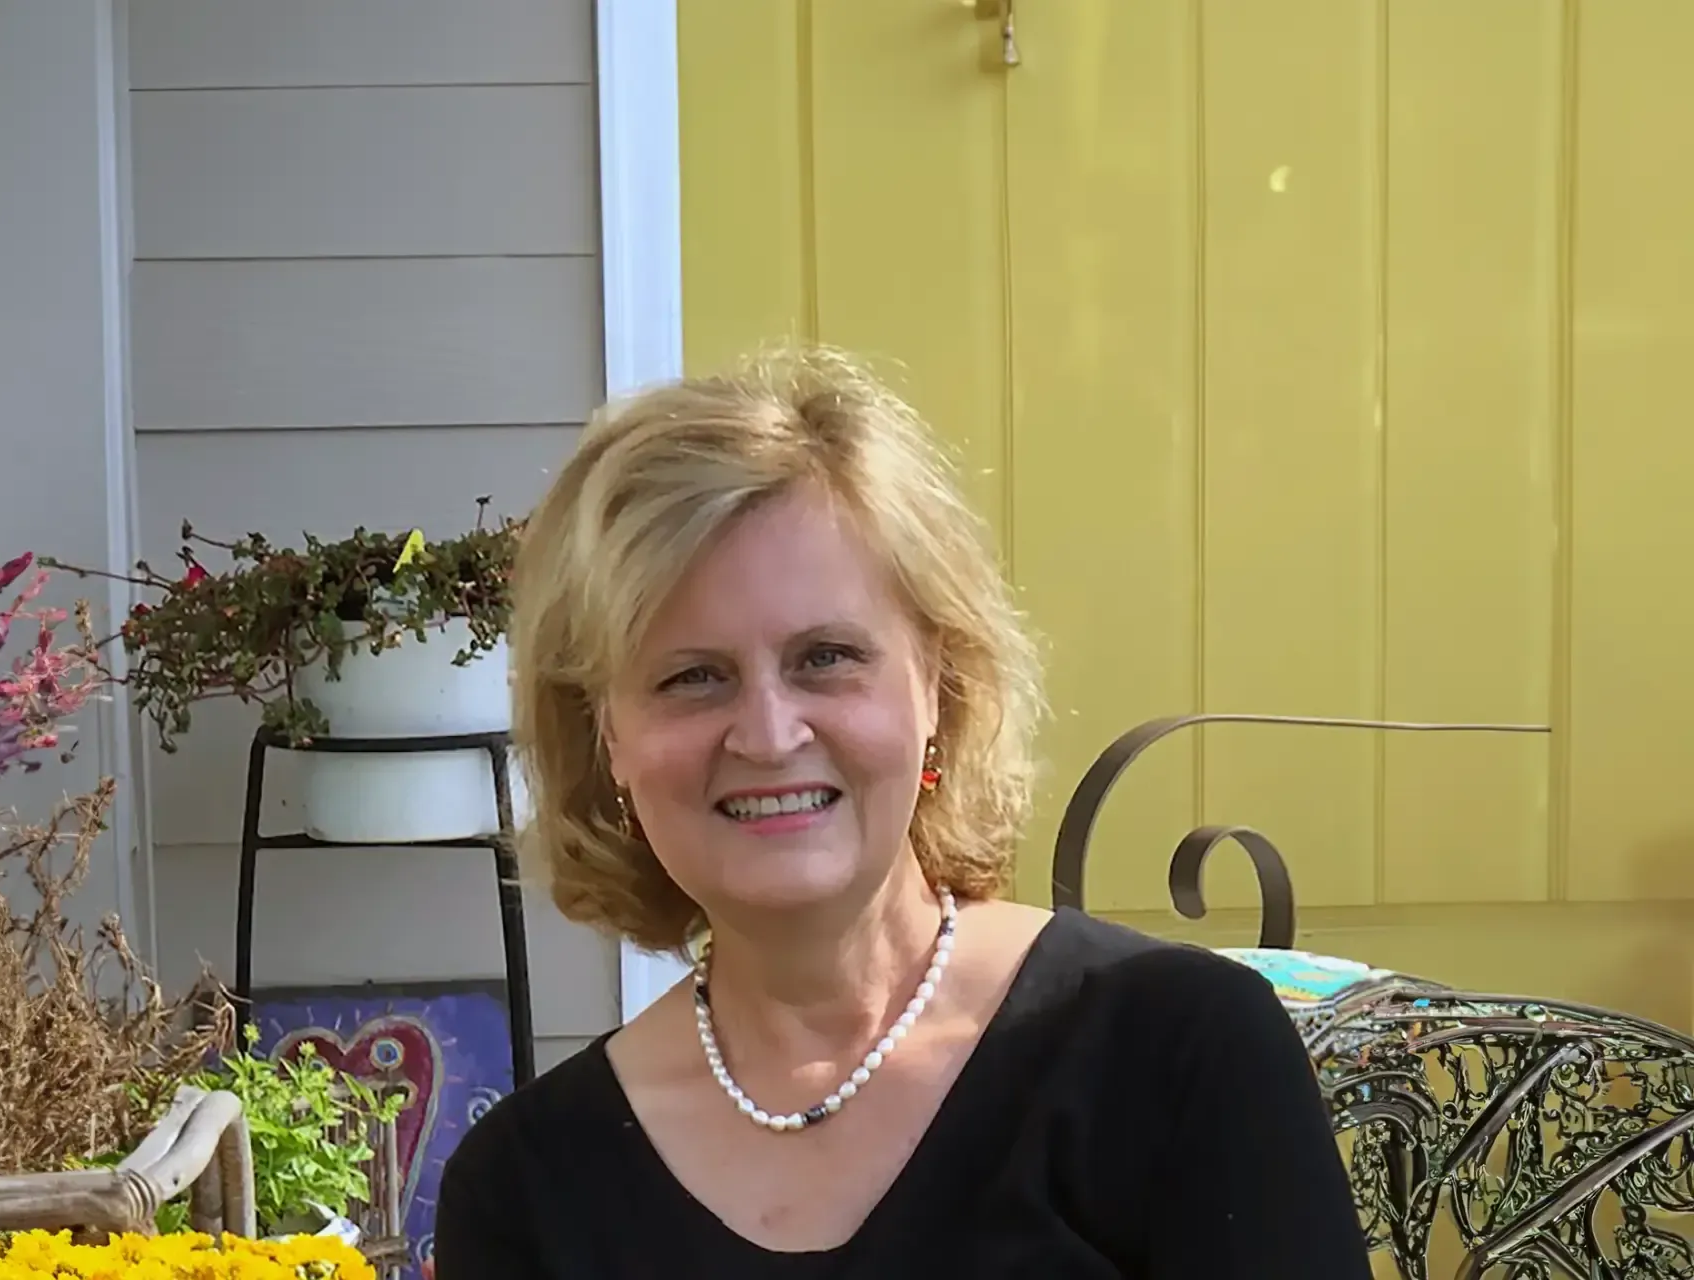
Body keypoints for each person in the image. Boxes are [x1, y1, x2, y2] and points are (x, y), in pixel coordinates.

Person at [434, 348, 1372, 1277]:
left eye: (826, 656)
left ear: (940, 685)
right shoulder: (528, 1187)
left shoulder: (1175, 1054)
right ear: (608, 743)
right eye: (692, 677)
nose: (766, 734)